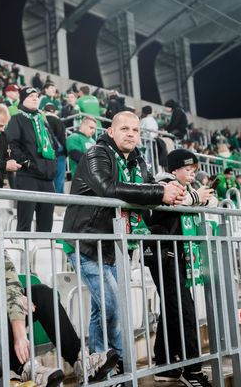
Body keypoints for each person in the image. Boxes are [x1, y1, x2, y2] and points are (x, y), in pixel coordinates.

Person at [0, 203, 119, 386]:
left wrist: (14, 297)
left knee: (42, 293)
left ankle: (80, 361)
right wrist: (12, 299)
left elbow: (12, 282)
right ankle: (27, 368)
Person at [62, 111, 186, 372]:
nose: (131, 134)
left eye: (135, 130)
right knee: (113, 306)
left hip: (118, 246)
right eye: (125, 129)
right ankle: (121, 363)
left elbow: (152, 189)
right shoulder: (96, 153)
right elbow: (108, 188)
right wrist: (160, 192)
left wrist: (178, 194)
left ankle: (99, 366)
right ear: (111, 132)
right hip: (87, 242)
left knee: (102, 309)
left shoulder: (138, 161)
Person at [144, 149, 215, 386]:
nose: (192, 174)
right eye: (187, 169)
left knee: (172, 307)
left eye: (194, 170)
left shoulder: (187, 187)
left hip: (177, 255)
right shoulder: (163, 183)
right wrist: (196, 197)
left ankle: (165, 363)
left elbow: (211, 201)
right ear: (174, 169)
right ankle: (192, 369)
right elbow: (176, 200)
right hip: (164, 255)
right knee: (184, 309)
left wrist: (200, 197)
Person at [6, 87, 57, 232]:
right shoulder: (17, 119)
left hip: (47, 179)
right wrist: (27, 163)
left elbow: (52, 145)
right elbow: (12, 145)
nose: (35, 98)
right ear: (23, 100)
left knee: (46, 226)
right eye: (31, 96)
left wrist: (52, 166)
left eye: (36, 96)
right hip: (28, 177)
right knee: (25, 223)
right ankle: (22, 247)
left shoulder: (42, 121)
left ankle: (44, 247)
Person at [43, 104, 66, 193]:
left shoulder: (41, 121)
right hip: (59, 153)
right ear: (55, 112)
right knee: (59, 177)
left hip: (45, 152)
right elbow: (62, 138)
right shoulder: (59, 121)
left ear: (44, 111)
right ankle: (58, 196)